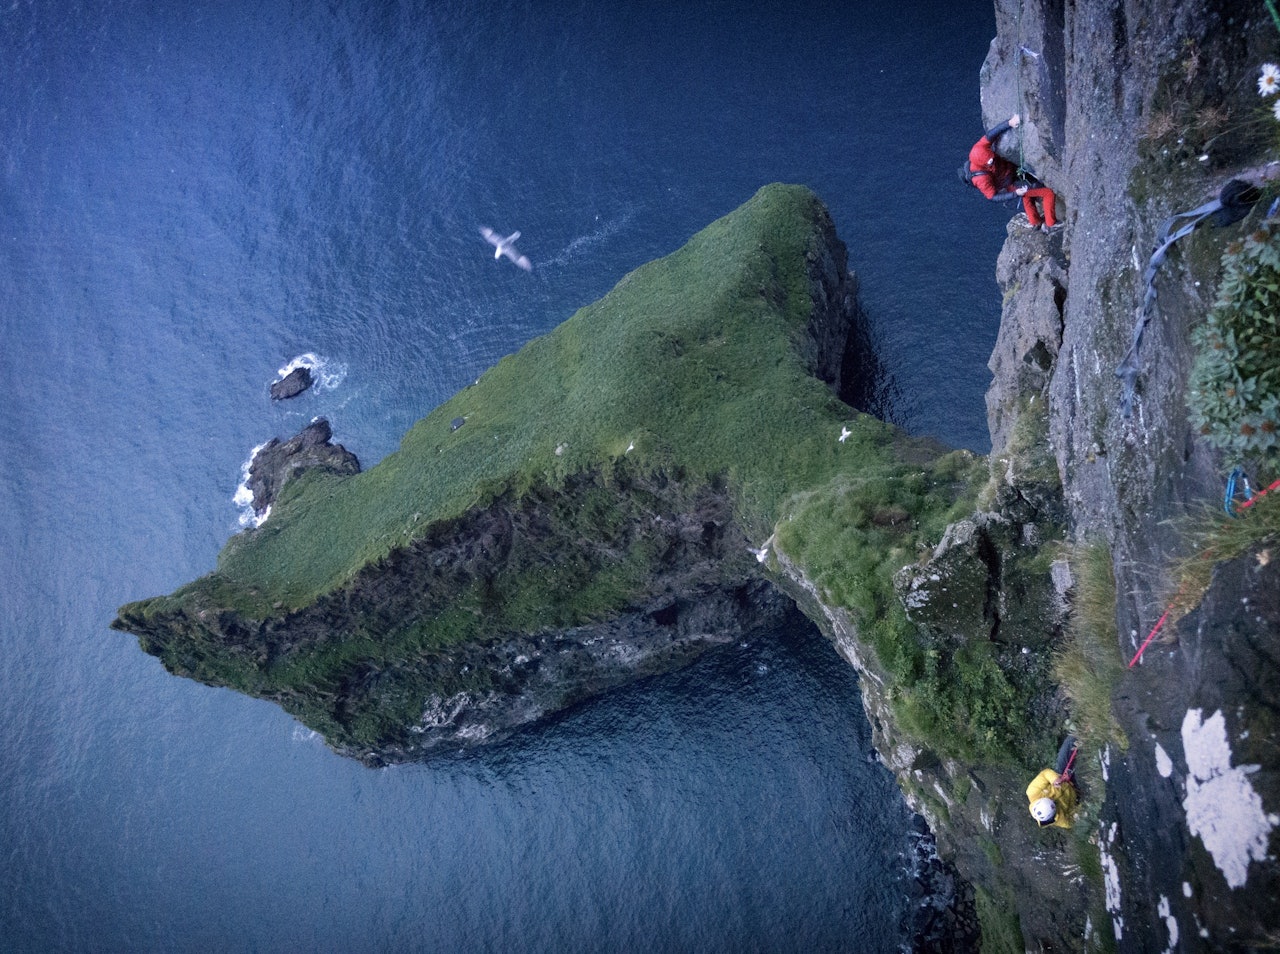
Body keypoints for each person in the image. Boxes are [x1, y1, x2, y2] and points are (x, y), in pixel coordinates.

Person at [967, 113, 1061, 232]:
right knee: (1048, 193)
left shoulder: (979, 148)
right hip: (1010, 183)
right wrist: (1015, 193)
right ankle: (1051, 224)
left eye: (992, 159)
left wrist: (1009, 123)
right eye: (989, 163)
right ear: (983, 164)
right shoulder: (981, 179)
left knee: (1028, 195)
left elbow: (992, 134)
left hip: (1012, 173)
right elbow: (992, 197)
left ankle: (1035, 222)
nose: (992, 162)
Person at [1026, 736, 1079, 829]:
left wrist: (1054, 779)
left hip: (1062, 775)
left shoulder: (1032, 792)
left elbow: (1044, 774)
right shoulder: (1058, 819)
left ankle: (1082, 733)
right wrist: (1079, 809)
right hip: (1076, 792)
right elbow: (1070, 822)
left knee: (1070, 742)